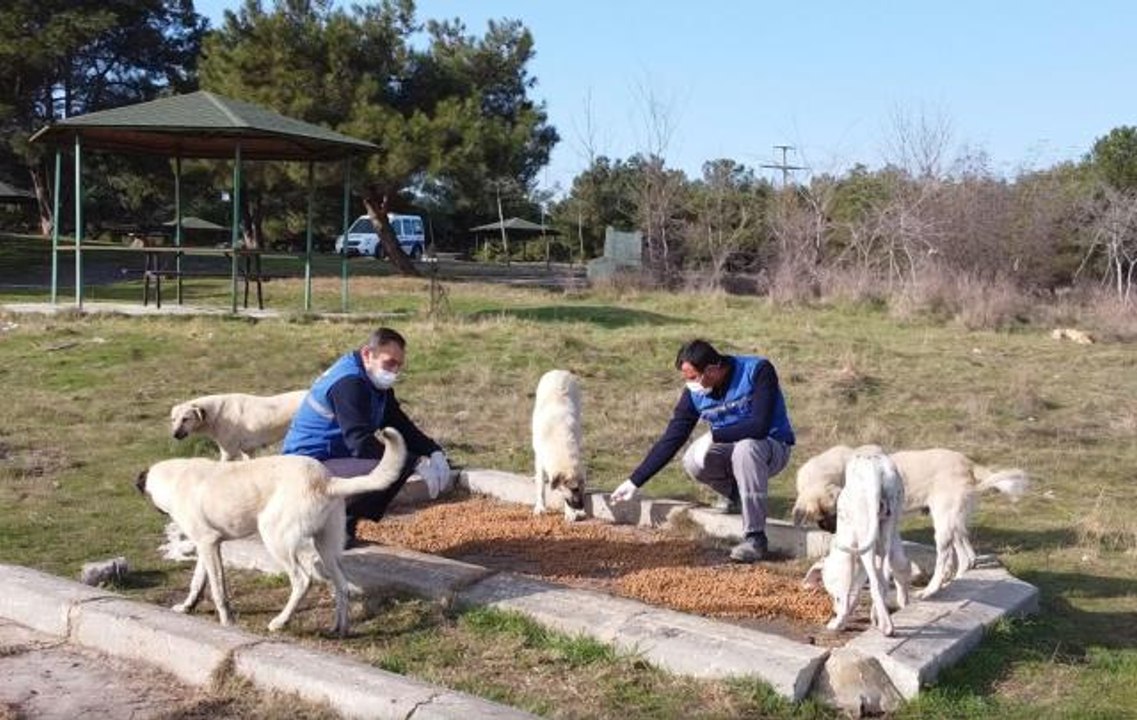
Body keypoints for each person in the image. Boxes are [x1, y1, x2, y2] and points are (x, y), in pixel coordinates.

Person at [611, 339, 795, 563]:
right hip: (733, 449)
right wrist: (634, 481)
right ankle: (736, 494)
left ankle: (755, 538)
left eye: (692, 377)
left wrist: (714, 436)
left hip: (770, 446)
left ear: (712, 369)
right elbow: (673, 437)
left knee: (746, 449)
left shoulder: (758, 371)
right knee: (693, 460)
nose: (690, 385)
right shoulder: (695, 393)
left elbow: (759, 426)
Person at [282, 327, 451, 545]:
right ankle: (334, 528)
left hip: (329, 457)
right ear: (367, 354)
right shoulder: (349, 384)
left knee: (401, 461)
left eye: (399, 366)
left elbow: (399, 423)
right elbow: (360, 443)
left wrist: (433, 451)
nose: (394, 372)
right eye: (389, 363)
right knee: (396, 465)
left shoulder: (371, 379)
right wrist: (413, 461)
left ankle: (337, 525)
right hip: (306, 467)